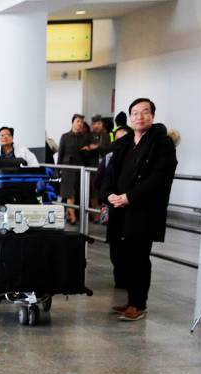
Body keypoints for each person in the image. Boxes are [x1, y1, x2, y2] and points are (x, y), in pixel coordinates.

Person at [100, 97, 177, 321]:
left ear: (152, 116)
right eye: (135, 113)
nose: (140, 117)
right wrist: (109, 195)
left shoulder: (162, 143)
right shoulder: (123, 143)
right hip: (119, 209)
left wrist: (129, 197)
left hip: (142, 210)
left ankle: (138, 304)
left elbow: (159, 178)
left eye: (145, 112)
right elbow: (108, 172)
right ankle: (130, 300)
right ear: (130, 116)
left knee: (138, 257)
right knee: (120, 256)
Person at [96, 125, 130, 287]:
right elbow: (99, 182)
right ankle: (120, 279)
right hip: (113, 207)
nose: (120, 142)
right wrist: (110, 196)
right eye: (118, 139)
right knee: (115, 245)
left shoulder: (141, 158)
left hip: (132, 209)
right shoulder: (110, 157)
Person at [58, 113, 93, 223]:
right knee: (70, 193)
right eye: (78, 121)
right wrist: (56, 169)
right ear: (72, 122)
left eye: (81, 122)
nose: (80, 124)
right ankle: (72, 217)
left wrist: (87, 150)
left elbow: (88, 156)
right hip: (67, 167)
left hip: (80, 168)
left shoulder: (85, 137)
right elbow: (60, 153)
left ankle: (69, 214)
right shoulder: (65, 136)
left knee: (76, 193)